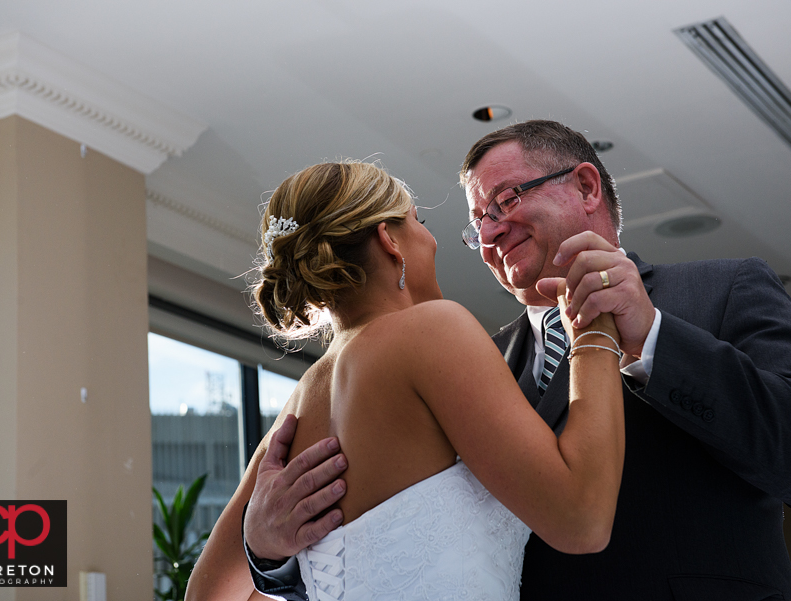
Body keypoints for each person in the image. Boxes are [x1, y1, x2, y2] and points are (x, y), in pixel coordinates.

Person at [195, 121, 791, 601]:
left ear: (586, 184)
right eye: (476, 220)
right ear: (392, 244)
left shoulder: (724, 289)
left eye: (505, 201)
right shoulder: (459, 357)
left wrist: (651, 336)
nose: (487, 232)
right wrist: (265, 549)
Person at [186, 160, 626, 601]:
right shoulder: (433, 330)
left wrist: (260, 548)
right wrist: (592, 330)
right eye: (419, 221)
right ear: (388, 239)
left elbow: (204, 596)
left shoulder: (295, 413)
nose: (431, 240)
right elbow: (581, 519)